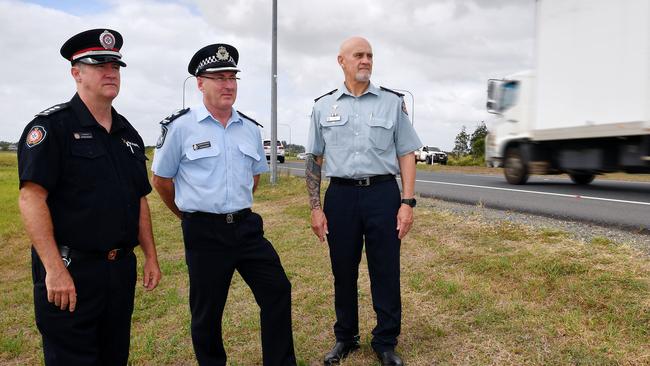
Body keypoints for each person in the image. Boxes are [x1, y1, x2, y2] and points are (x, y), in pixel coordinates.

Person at [17, 28, 162, 365]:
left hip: (118, 271)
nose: (110, 72)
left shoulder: (128, 134)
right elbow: (31, 199)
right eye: (99, 65)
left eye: (115, 66)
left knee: (114, 357)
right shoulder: (53, 128)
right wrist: (54, 269)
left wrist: (151, 256)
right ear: (76, 73)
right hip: (71, 271)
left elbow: (139, 198)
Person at [151, 43, 296, 366]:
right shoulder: (180, 127)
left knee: (277, 290)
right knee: (207, 312)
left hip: (246, 227)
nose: (228, 84)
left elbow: (254, 178)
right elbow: (161, 180)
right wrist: (187, 214)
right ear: (200, 83)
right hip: (204, 231)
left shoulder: (249, 129)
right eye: (218, 77)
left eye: (232, 77)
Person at [305, 36, 422, 366]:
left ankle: (385, 341)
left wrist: (407, 202)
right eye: (359, 55)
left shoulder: (390, 102)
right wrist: (315, 208)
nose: (366, 60)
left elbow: (406, 153)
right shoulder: (323, 106)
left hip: (382, 194)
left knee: (385, 269)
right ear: (341, 61)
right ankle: (346, 337)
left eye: (370, 55)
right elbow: (314, 159)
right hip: (340, 196)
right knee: (343, 271)